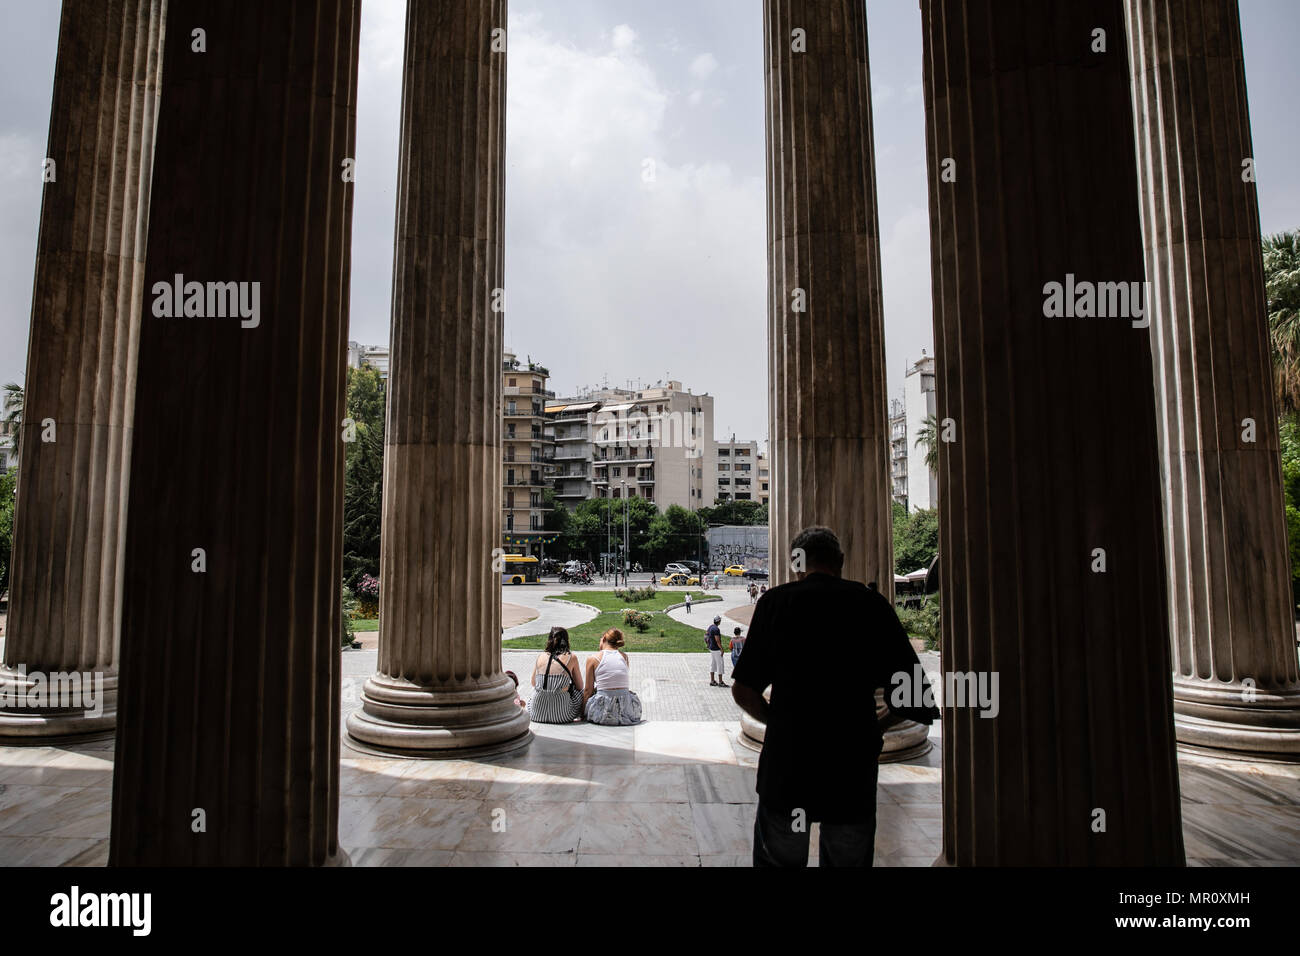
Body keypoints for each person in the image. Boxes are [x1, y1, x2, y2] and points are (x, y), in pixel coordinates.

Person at [731, 526, 939, 868]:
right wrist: (875, 725)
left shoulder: (777, 603)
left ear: (797, 563)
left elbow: (743, 690)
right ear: (840, 561)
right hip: (849, 773)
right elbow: (912, 695)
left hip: (788, 770)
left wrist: (779, 722)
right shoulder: (870, 605)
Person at [583, 628, 642, 725]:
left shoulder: (593, 659)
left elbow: (588, 690)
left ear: (604, 639)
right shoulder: (624, 657)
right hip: (626, 713)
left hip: (603, 714)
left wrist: (582, 713)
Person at [527, 626, 584, 723]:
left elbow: (533, 683)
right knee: (580, 693)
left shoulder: (540, 656)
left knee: (533, 691)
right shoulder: (571, 657)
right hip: (562, 715)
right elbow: (579, 686)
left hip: (537, 713)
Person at [705, 615, 727, 687]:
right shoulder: (716, 629)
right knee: (720, 664)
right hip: (716, 649)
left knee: (713, 664)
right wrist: (722, 649)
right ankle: (720, 682)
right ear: (719, 621)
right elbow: (717, 640)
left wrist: (708, 644)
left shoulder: (711, 627)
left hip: (711, 648)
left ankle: (712, 680)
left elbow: (706, 635)